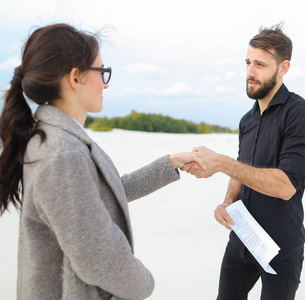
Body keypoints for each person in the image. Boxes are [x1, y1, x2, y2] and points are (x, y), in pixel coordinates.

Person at [0, 23, 206, 300]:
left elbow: (105, 192)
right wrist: (144, 283)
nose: (105, 83)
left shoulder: (59, 139)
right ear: (75, 78)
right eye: (101, 72)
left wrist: (170, 163)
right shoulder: (62, 153)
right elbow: (97, 257)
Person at [183, 24, 305, 299]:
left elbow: (285, 186)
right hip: (242, 241)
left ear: (283, 68)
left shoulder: (301, 113)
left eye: (260, 64)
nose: (250, 72)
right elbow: (243, 166)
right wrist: (227, 202)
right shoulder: (247, 120)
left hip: (280, 247)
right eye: (248, 62)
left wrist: (220, 163)